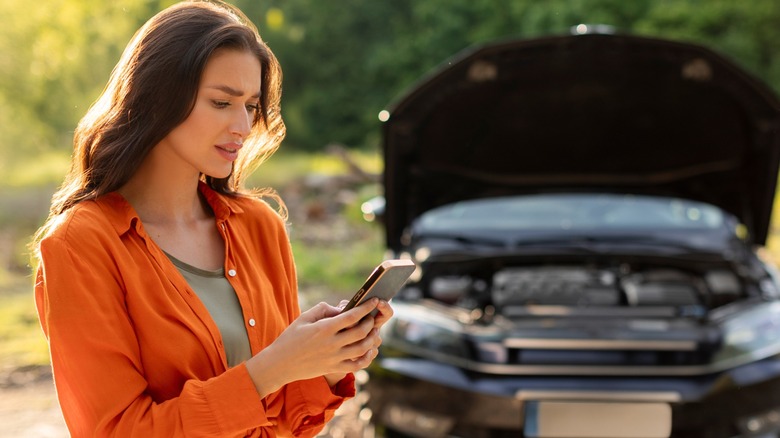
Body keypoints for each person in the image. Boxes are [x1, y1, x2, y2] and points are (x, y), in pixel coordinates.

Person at [31, 1, 393, 436]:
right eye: (222, 102)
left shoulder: (260, 226)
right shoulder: (80, 243)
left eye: (252, 106)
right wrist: (270, 370)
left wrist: (326, 363)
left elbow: (281, 422)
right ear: (157, 97)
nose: (242, 125)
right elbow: (116, 430)